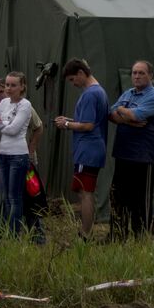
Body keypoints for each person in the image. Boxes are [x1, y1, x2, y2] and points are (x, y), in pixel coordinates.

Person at [56, 58, 110, 241]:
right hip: (93, 148)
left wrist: (66, 124)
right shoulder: (99, 91)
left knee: (86, 193)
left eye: (72, 79)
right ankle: (85, 232)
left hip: (88, 150)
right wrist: (70, 120)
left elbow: (87, 125)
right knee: (83, 190)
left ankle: (85, 234)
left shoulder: (89, 94)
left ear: (81, 73)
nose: (73, 84)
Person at [108, 61, 154, 238]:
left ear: (150, 76)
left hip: (142, 157)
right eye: (134, 73)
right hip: (123, 153)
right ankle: (118, 235)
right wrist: (127, 118)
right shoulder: (128, 93)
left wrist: (122, 111)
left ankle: (142, 237)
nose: (137, 76)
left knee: (140, 200)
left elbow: (137, 115)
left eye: (141, 73)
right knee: (119, 197)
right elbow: (111, 114)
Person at [0, 71, 38, 238]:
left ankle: (14, 233)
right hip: (3, 154)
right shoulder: (4, 103)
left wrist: (2, 123)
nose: (8, 88)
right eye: (7, 84)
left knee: (14, 197)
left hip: (18, 155)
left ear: (22, 87)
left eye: (13, 85)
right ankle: (7, 231)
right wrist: (6, 123)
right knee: (5, 197)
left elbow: (14, 130)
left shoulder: (25, 105)